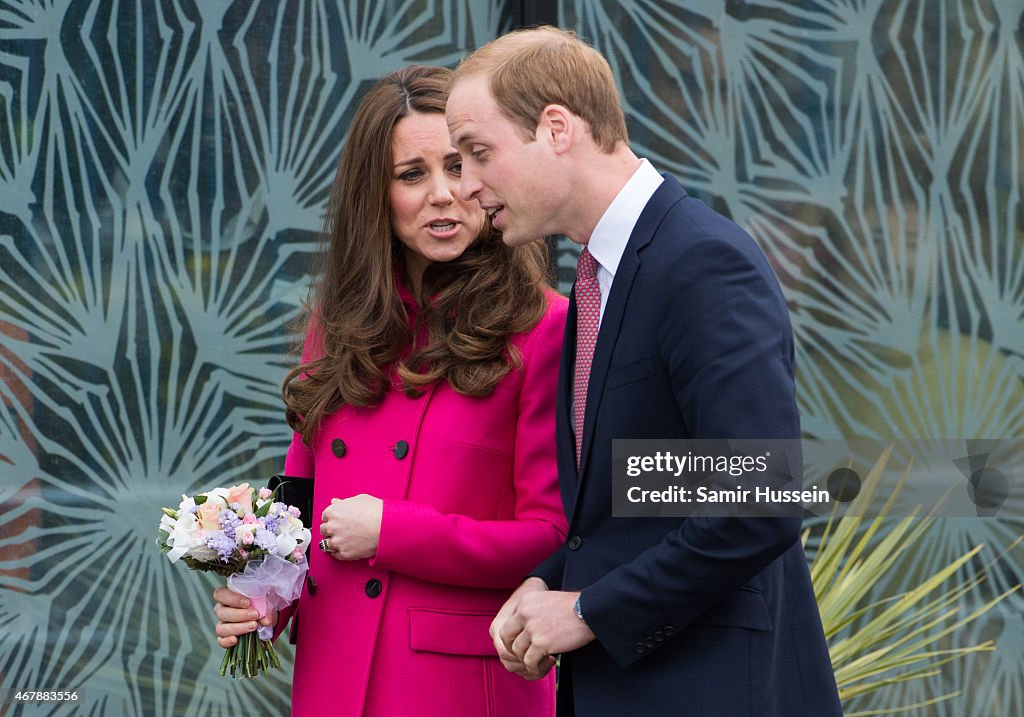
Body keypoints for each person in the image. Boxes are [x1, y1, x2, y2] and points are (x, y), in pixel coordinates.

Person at [446, 26, 843, 716]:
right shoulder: (600, 277)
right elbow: (647, 502)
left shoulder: (700, 265)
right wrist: (551, 581)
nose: (468, 186)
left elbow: (759, 500)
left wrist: (591, 608)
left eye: (479, 153)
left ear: (557, 127)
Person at [211, 64, 568, 716]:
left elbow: (550, 536)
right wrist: (261, 598)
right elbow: (300, 504)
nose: (443, 194)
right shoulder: (338, 325)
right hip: (333, 680)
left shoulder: (544, 327)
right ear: (375, 196)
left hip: (464, 689)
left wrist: (391, 530)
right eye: (412, 175)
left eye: (459, 166)